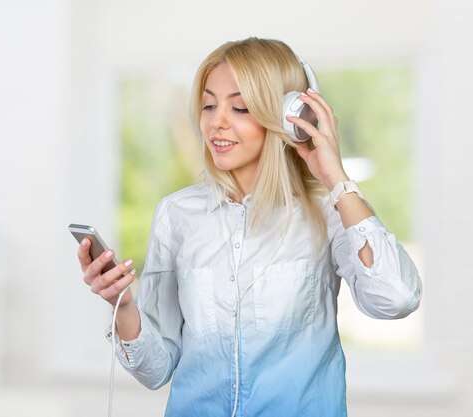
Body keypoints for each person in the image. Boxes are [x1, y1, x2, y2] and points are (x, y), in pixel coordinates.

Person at [76, 37, 422, 417]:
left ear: (292, 118)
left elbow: (397, 299)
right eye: (208, 105)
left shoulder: (330, 210)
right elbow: (157, 370)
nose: (216, 121)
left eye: (240, 107)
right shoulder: (176, 214)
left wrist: (336, 177)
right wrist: (122, 305)